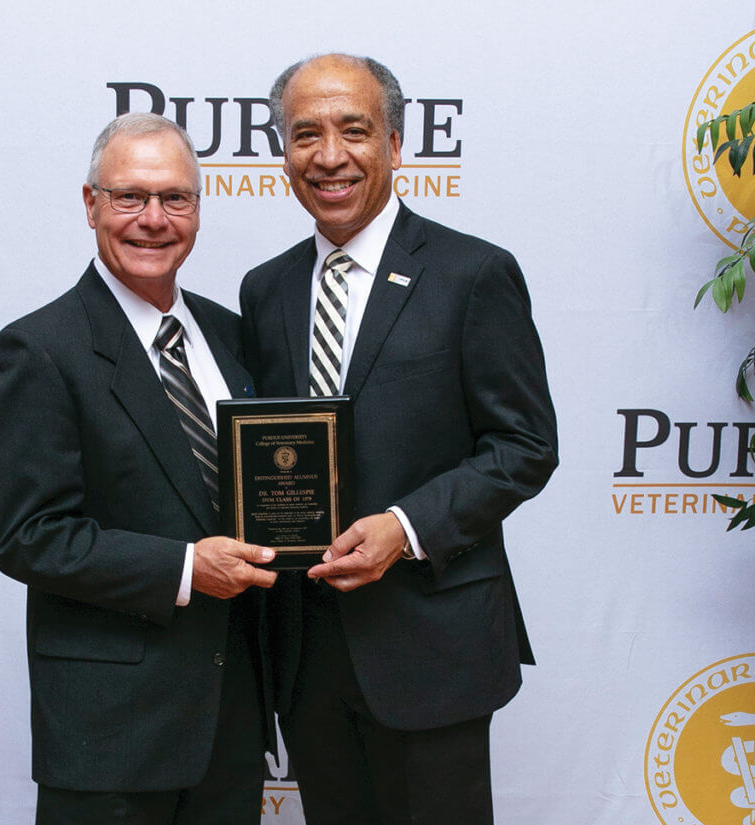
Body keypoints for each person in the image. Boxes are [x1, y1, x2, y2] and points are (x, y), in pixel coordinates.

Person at [239, 54, 558, 824]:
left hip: (431, 644)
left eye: (354, 130)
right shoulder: (265, 287)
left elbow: (524, 445)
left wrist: (405, 528)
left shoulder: (473, 273)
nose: (329, 155)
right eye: (305, 133)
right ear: (283, 151)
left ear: (395, 142)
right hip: (307, 651)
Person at [0, 112, 277, 825]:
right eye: (129, 197)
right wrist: (183, 567)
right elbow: (29, 534)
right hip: (109, 737)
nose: (153, 219)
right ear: (90, 205)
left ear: (198, 211)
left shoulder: (232, 337)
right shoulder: (38, 350)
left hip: (229, 724)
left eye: (175, 198)